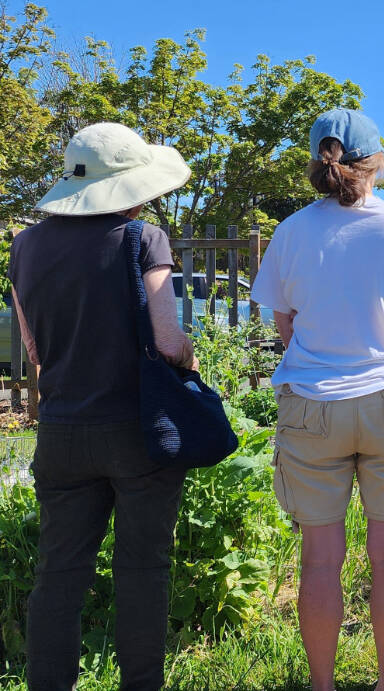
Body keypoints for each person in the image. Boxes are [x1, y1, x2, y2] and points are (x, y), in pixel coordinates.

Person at [251, 108, 384, 691]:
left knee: (320, 558)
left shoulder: (289, 233)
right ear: (376, 162)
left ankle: (322, 686)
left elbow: (285, 321)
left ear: (318, 161)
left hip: (313, 405)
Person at [12, 122, 196, 690]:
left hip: (63, 430)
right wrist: (189, 366)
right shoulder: (143, 239)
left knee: (59, 573)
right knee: (143, 572)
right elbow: (168, 340)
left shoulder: (24, 245)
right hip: (138, 428)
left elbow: (34, 351)